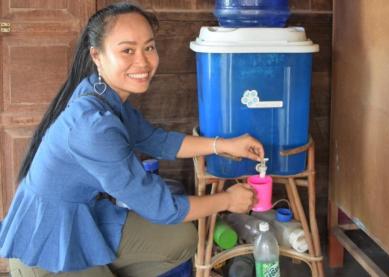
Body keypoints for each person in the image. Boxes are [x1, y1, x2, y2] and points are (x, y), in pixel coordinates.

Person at [0, 2, 264, 277]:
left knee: (180, 238)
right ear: (97, 56)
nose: (143, 61)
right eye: (127, 50)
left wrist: (222, 145)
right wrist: (228, 201)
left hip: (84, 217)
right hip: (46, 244)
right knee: (172, 220)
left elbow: (155, 140)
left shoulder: (102, 94)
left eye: (149, 47)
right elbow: (162, 207)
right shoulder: (93, 128)